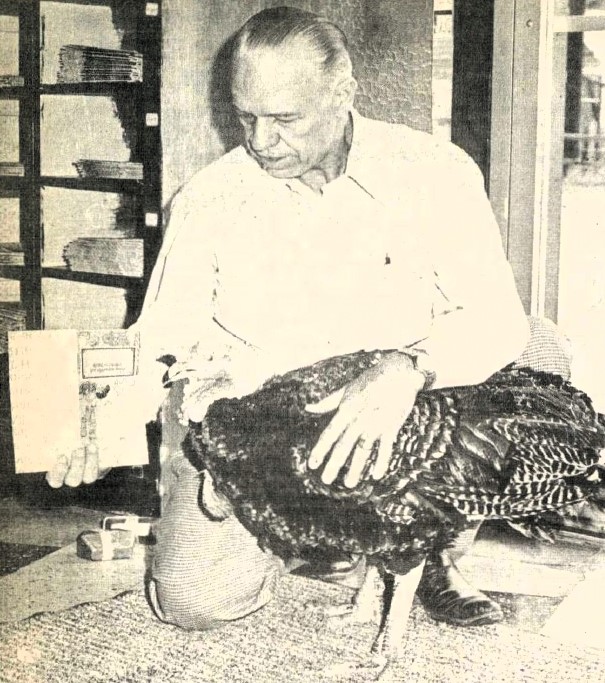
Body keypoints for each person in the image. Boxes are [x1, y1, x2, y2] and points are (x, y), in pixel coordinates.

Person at [46, 7, 567, 629]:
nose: (261, 141)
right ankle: (311, 540)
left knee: (541, 356)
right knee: (195, 603)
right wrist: (101, 426)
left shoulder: (435, 173)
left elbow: (493, 317)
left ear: (343, 94)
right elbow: (161, 336)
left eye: (285, 119)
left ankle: (432, 544)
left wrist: (409, 366)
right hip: (263, 431)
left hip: (396, 419)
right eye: (247, 117)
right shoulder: (211, 198)